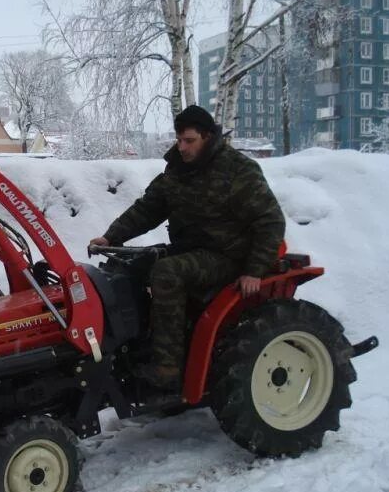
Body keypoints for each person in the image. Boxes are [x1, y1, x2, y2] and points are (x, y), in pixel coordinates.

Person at [89, 105, 285, 392]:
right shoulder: (178, 170)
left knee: (167, 273)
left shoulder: (238, 170)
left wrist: (254, 270)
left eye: (189, 141)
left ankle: (168, 368)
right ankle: (135, 349)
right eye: (179, 140)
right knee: (131, 267)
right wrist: (111, 238)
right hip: (193, 249)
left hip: (229, 255)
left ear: (207, 136)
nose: (181, 147)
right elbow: (148, 208)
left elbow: (270, 221)